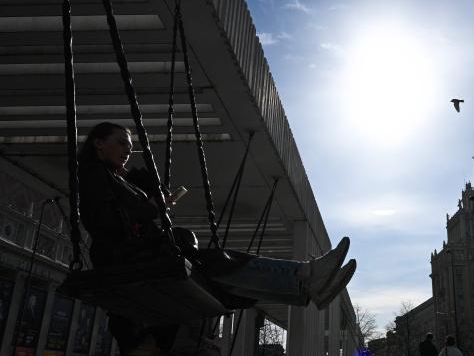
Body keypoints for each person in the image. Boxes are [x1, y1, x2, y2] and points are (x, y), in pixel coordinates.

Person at [77, 121, 356, 312]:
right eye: (121, 143)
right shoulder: (93, 175)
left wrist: (148, 190)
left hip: (138, 255)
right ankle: (307, 275)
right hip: (124, 257)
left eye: (130, 145)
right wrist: (152, 205)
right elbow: (109, 221)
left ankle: (309, 285)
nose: (128, 150)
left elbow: (133, 213)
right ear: (99, 144)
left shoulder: (117, 180)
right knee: (218, 262)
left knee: (222, 277)